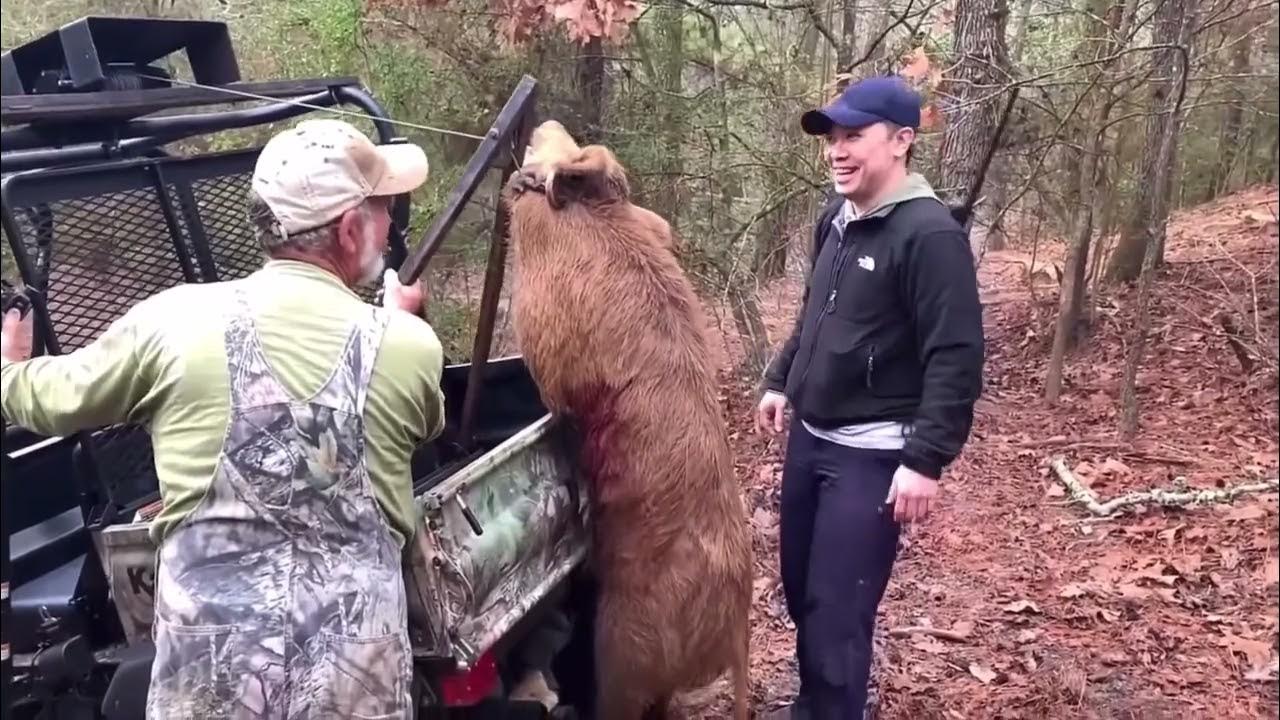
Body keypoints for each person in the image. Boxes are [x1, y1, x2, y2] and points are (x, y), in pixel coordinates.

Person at [1, 118, 446, 720]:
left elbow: (48, 401)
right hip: (354, 681)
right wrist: (397, 322)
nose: (391, 224)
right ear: (348, 230)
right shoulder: (407, 345)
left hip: (209, 684)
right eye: (385, 209)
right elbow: (425, 423)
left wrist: (9, 366)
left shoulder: (172, 322)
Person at [755, 76, 985, 719]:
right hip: (811, 440)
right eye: (833, 138)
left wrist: (925, 459)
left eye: (854, 136)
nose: (837, 150)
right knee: (803, 595)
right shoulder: (837, 219)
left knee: (838, 613)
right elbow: (816, 315)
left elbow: (957, 354)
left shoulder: (929, 236)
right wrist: (781, 379)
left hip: (874, 456)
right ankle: (815, 706)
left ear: (902, 140)